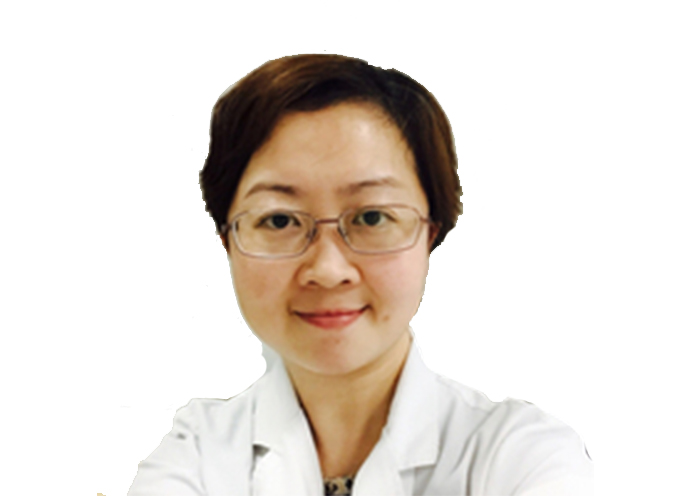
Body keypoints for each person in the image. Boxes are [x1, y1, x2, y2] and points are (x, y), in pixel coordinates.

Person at [128, 54, 593, 496]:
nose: (328, 270)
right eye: (279, 220)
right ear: (226, 238)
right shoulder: (196, 450)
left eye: (371, 217)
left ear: (432, 231)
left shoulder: (522, 454)